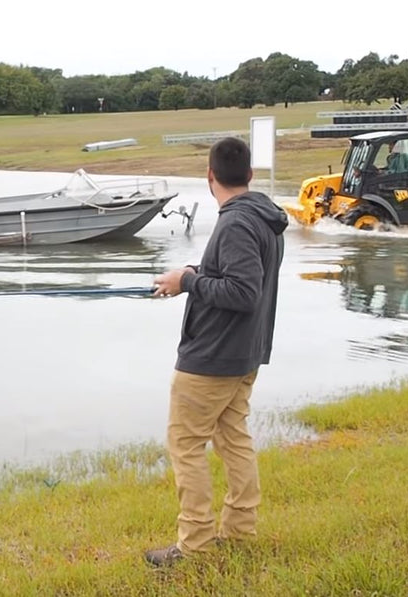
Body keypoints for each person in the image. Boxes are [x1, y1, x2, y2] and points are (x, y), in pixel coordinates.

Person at [144, 137, 288, 567]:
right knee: (233, 438)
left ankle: (194, 545)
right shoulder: (261, 217)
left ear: (210, 176)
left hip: (213, 359)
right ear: (249, 174)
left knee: (186, 445)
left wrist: (187, 283)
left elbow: (243, 292)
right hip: (244, 354)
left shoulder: (236, 223)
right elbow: (236, 276)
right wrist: (191, 273)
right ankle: (240, 530)